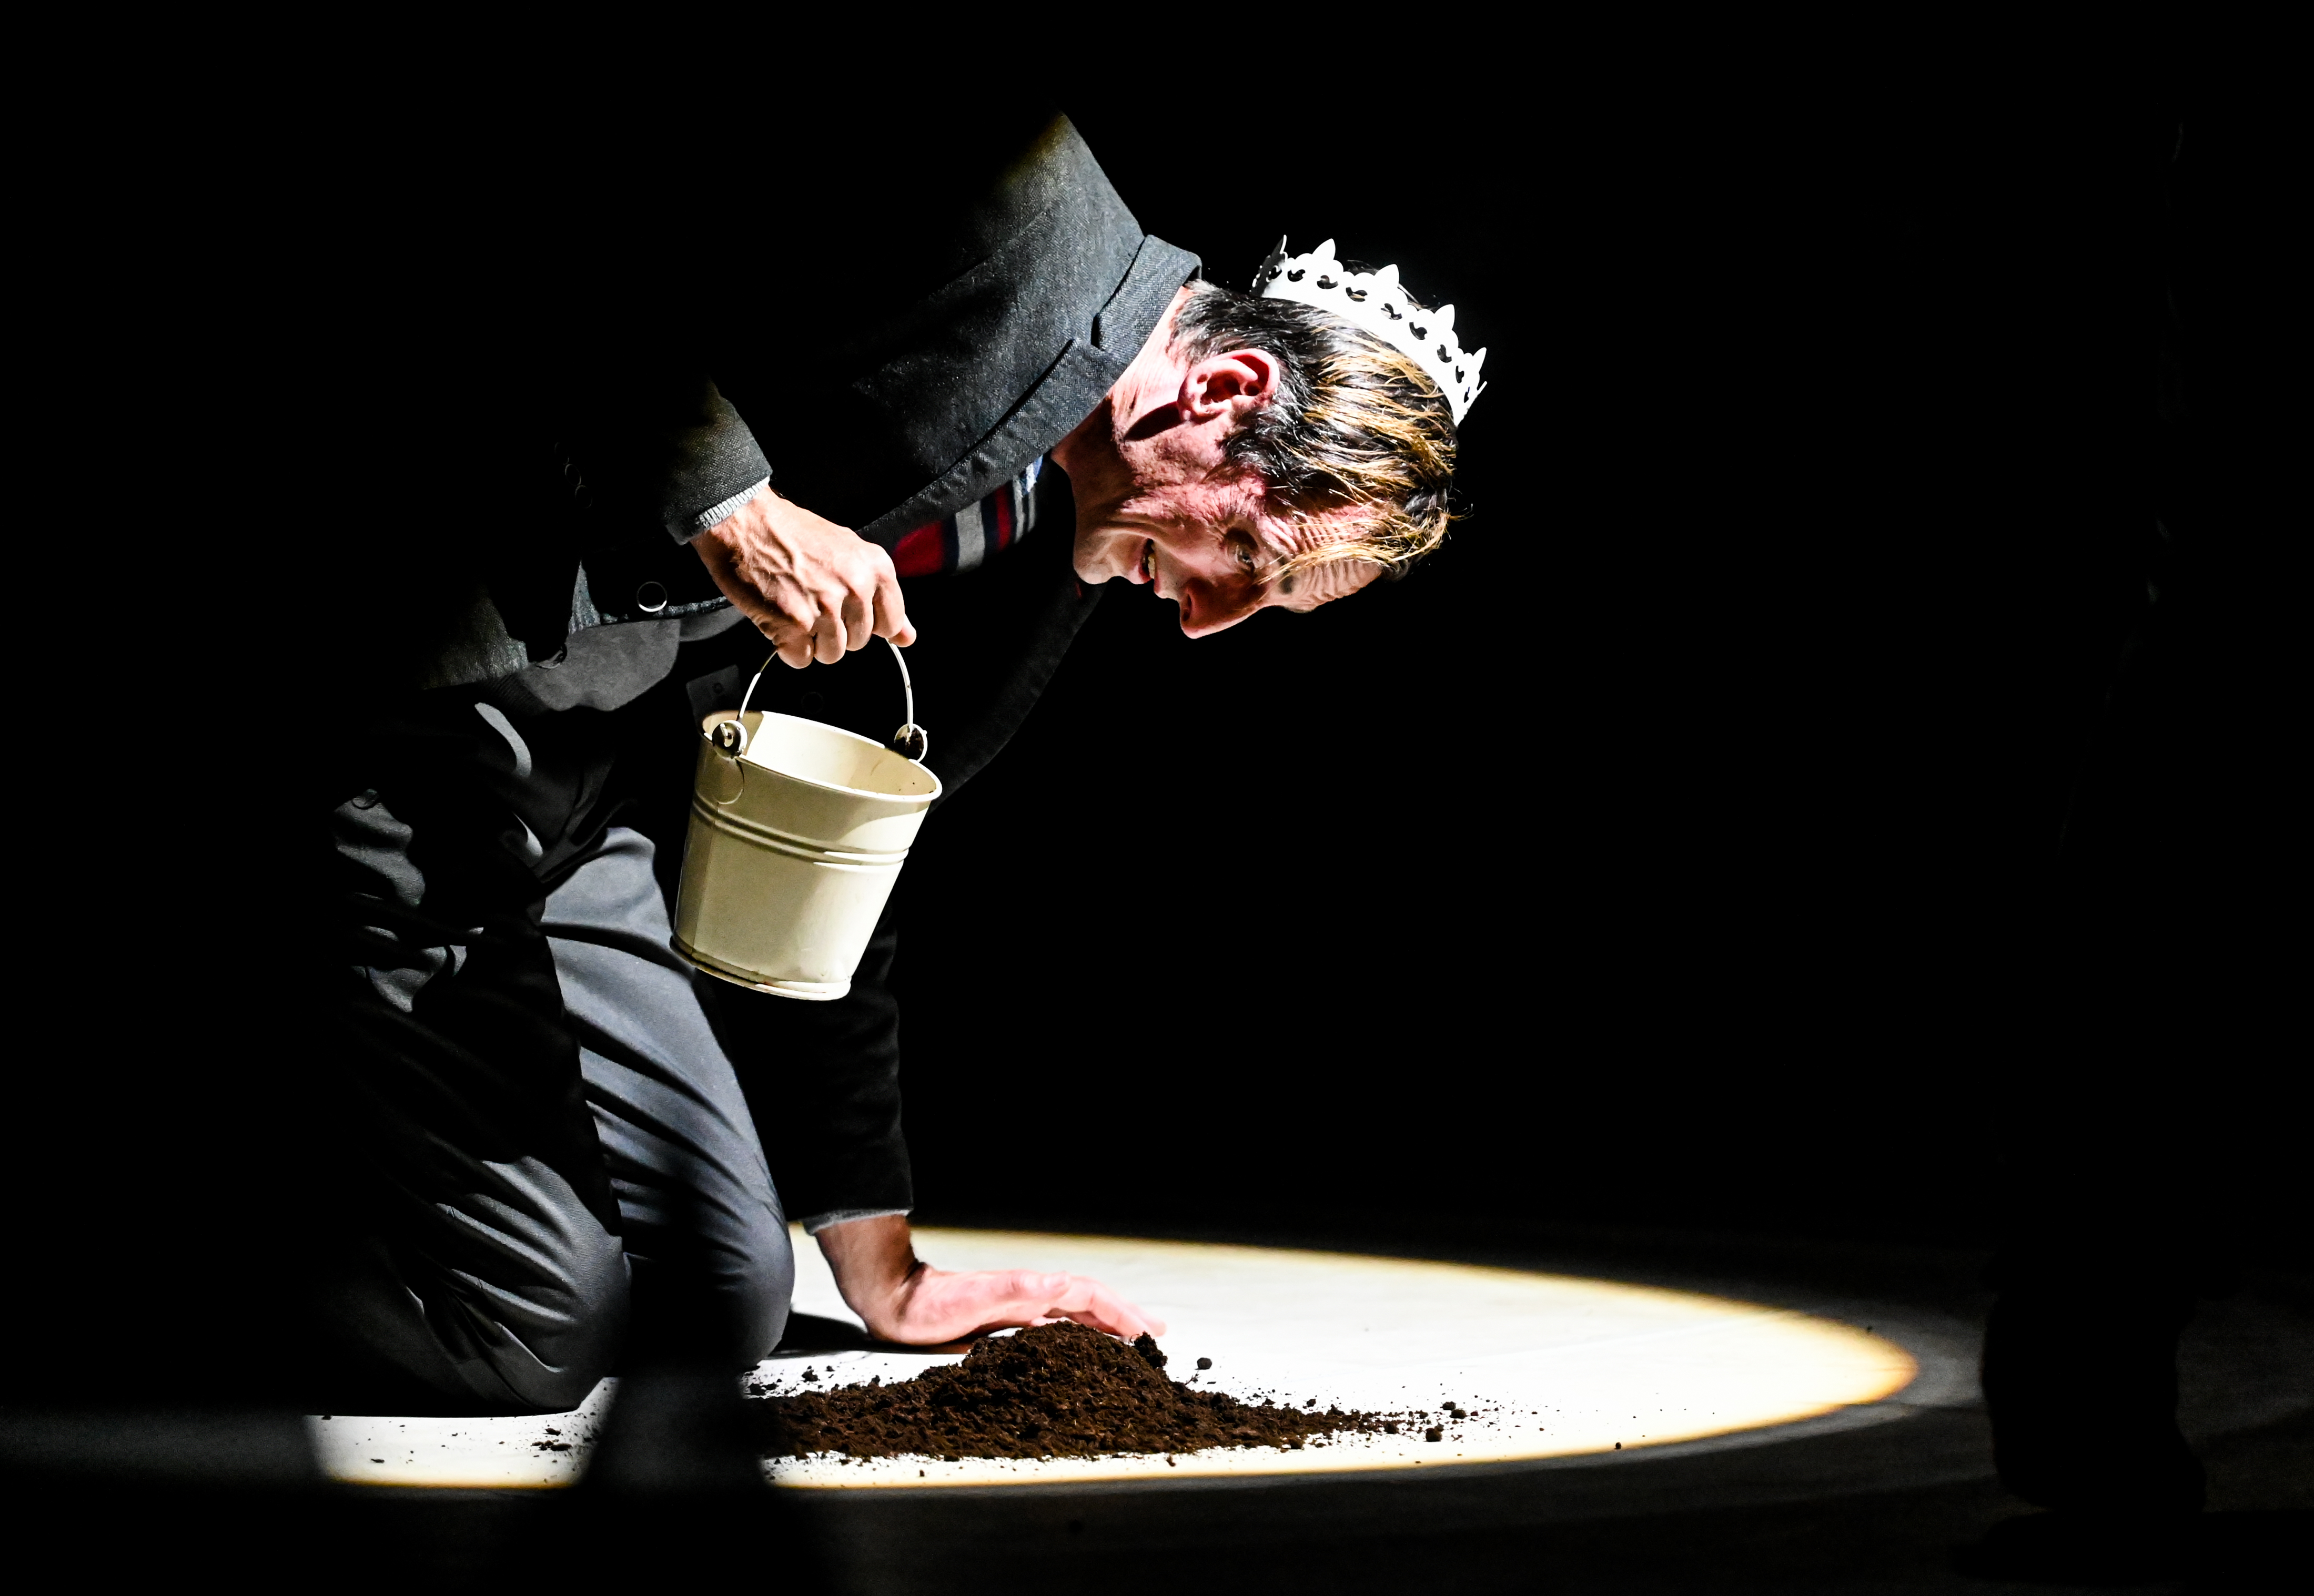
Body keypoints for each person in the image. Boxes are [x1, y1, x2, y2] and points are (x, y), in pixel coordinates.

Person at [312, 107, 1487, 1412]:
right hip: (420, 692)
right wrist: (728, 502)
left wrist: (887, 1272)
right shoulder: (1007, 183)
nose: (1210, 622)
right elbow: (572, 197)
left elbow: (843, 842)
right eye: (1251, 562)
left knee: (719, 1293)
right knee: (533, 1326)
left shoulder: (1067, 539)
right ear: (1227, 392)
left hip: (579, 795)